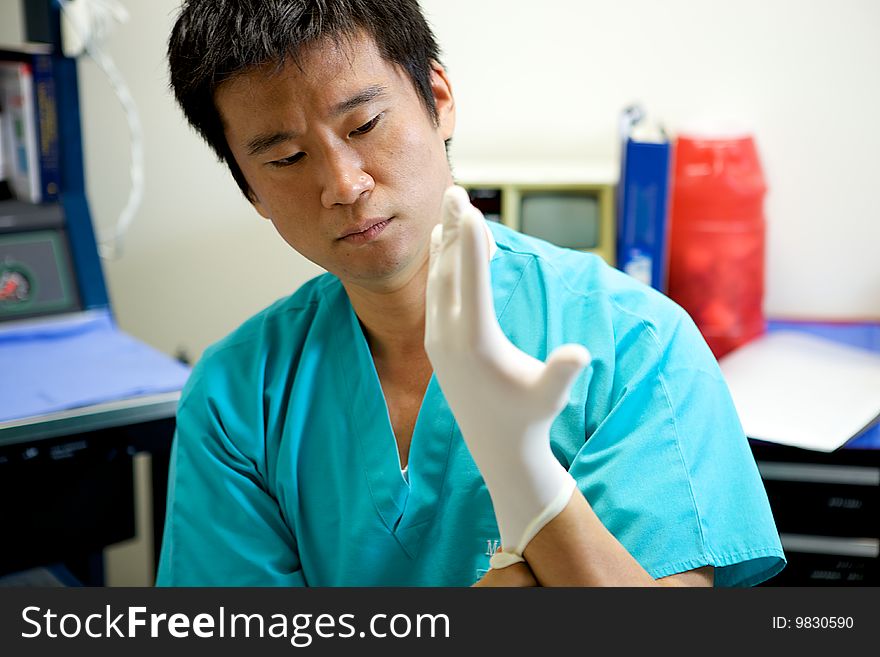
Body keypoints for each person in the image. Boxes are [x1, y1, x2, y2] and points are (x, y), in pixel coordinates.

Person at [156, 0, 785, 587]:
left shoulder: (636, 343)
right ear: (251, 191)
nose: (343, 185)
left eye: (365, 124)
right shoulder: (235, 396)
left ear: (438, 96)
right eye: (288, 158)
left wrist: (525, 474)